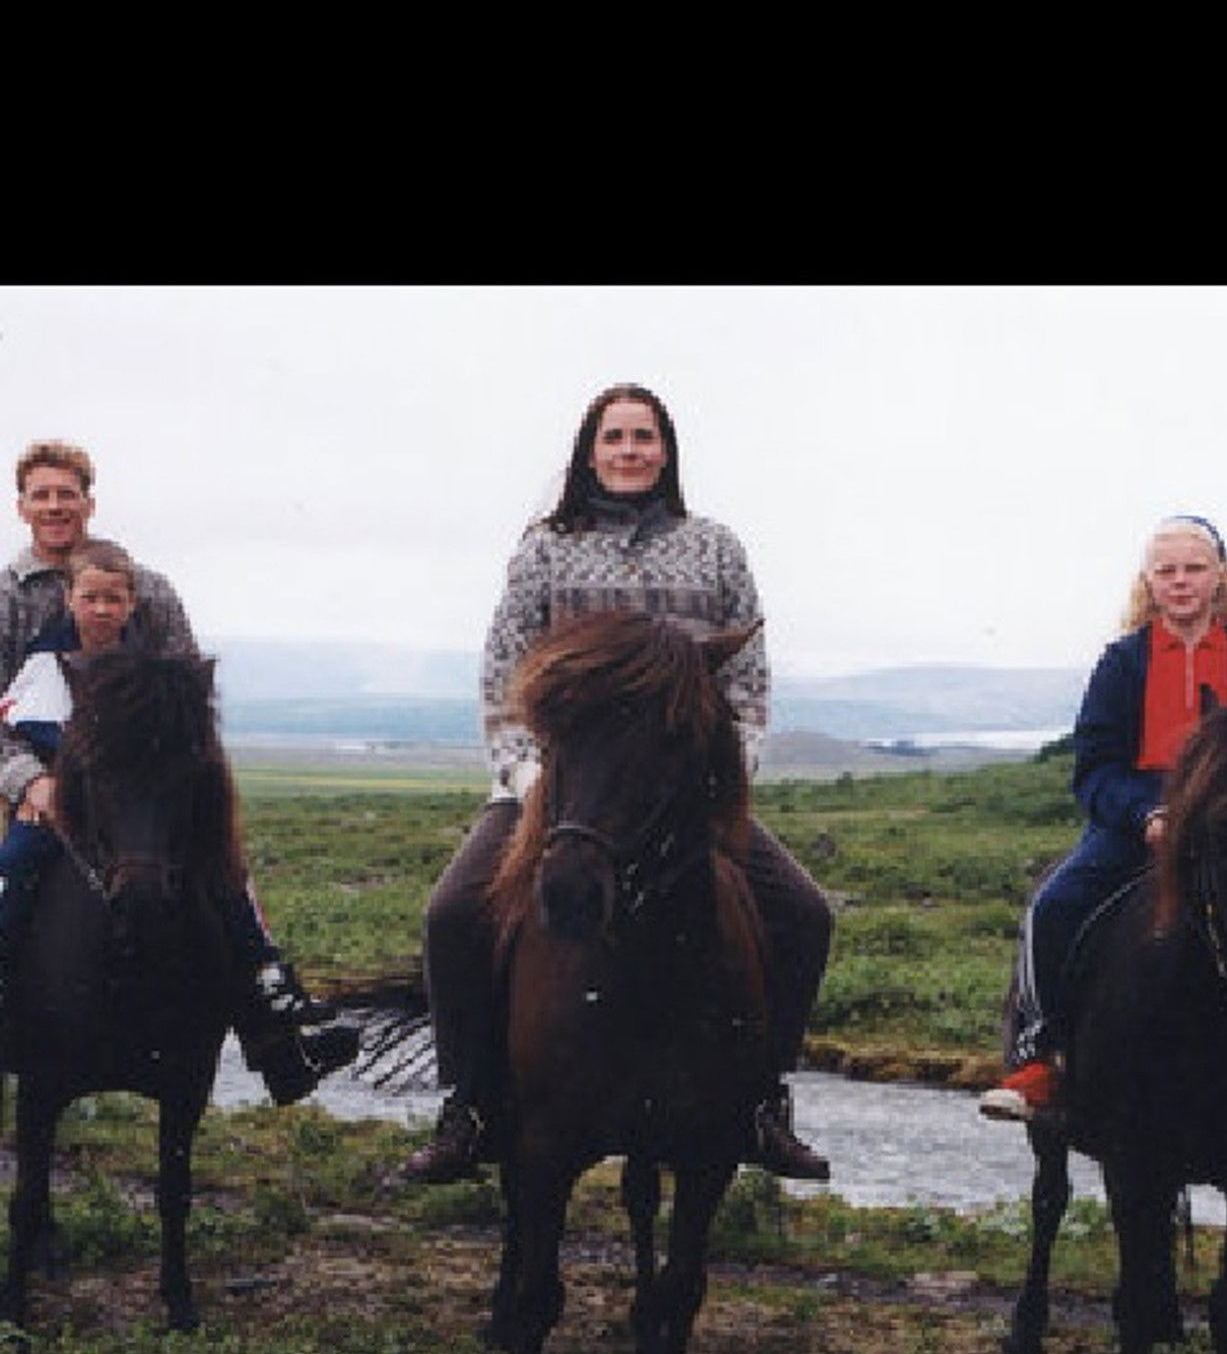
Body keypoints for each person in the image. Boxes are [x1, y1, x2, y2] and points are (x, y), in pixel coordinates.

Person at [402, 382, 834, 1184]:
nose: (629, 451)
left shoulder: (716, 548)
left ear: (666, 451)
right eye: (614, 437)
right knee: (453, 913)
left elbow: (747, 682)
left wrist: (722, 778)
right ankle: (469, 1106)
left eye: (644, 436)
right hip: (562, 791)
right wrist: (529, 777)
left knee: (804, 914)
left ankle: (761, 1100)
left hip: (679, 791)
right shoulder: (545, 551)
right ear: (589, 452)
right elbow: (503, 674)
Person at [0, 445, 358, 1103]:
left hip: (144, 787)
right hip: (45, 784)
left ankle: (275, 1030)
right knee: (13, 873)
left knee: (219, 870)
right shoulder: (7, 598)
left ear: (88, 502)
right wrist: (28, 779)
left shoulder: (150, 589)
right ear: (22, 506)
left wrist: (173, 780)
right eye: (41, 494)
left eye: (66, 493)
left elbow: (187, 690)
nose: (54, 506)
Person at [980, 512, 1227, 1122]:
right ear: (1148, 582)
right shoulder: (1122, 663)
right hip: (1139, 820)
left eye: (1193, 568)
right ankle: (1041, 1057)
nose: (1180, 581)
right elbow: (1094, 767)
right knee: (1052, 908)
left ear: (1221, 577)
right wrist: (1145, 813)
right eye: (1166, 571)